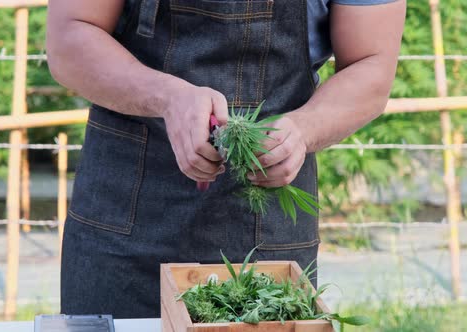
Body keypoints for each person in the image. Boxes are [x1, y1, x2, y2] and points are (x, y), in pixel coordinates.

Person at [46, 0, 405, 318]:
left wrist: (302, 130)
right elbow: (70, 35)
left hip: (269, 221)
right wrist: (168, 99)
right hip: (122, 213)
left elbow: (371, 64)